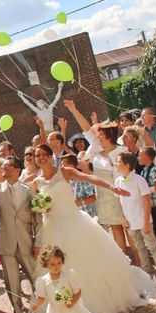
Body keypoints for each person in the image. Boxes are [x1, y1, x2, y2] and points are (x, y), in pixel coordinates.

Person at [31, 144, 156, 313]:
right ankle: (64, 308)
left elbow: (89, 178)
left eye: (44, 154)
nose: (41, 158)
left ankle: (94, 305)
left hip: (74, 222)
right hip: (52, 228)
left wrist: (111, 187)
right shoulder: (36, 182)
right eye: (37, 155)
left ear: (51, 155)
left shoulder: (65, 171)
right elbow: (34, 208)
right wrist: (42, 208)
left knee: (87, 262)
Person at [63, 100, 132, 258]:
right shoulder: (96, 147)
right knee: (115, 228)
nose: (97, 136)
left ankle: (139, 260)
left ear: (109, 135)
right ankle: (124, 259)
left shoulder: (122, 151)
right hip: (103, 197)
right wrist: (74, 110)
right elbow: (86, 128)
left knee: (129, 229)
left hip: (121, 194)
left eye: (101, 134)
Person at [0, 156, 37, 313]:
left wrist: (37, 240)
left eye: (8, 166)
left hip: (26, 241)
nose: (4, 169)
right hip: (6, 242)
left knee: (35, 278)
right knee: (12, 283)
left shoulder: (28, 189)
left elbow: (36, 217)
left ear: (17, 170)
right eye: (3, 167)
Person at [114, 153, 156, 287]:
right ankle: (147, 274)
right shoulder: (118, 181)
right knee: (140, 248)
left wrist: (147, 222)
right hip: (130, 222)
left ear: (127, 165)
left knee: (153, 247)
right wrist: (123, 218)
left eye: (118, 162)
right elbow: (118, 201)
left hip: (142, 221)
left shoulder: (139, 180)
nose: (116, 164)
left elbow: (147, 202)